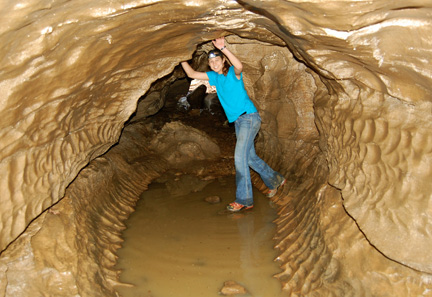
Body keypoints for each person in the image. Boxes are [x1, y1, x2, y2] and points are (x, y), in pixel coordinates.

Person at [181, 37, 286, 212]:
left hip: (249, 118)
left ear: (223, 60)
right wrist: (181, 58)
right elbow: (191, 74)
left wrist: (224, 48)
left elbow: (239, 67)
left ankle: (244, 199)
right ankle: (276, 180)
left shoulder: (232, 74)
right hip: (239, 121)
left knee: (239, 158)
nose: (214, 64)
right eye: (211, 61)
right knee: (250, 157)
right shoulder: (214, 77)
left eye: (217, 60)